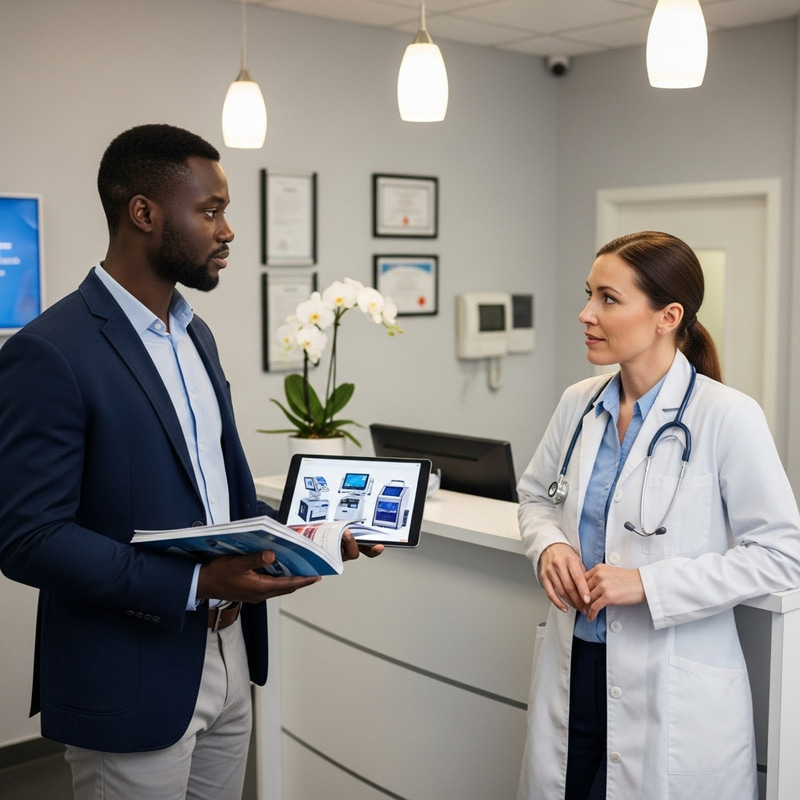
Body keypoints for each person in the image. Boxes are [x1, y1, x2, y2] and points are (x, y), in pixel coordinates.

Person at [0, 123, 382, 800]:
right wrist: (197, 584)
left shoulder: (194, 334)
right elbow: (29, 540)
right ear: (143, 213)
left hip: (229, 654)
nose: (228, 230)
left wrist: (307, 534)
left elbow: (214, 496)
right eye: (210, 211)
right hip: (128, 672)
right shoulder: (50, 351)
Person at [515, 231, 800, 800]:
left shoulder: (728, 416)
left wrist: (647, 583)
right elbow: (534, 497)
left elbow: (782, 557)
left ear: (668, 315)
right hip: (576, 671)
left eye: (608, 299)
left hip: (671, 683)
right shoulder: (579, 402)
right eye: (589, 295)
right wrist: (549, 545)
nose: (586, 313)